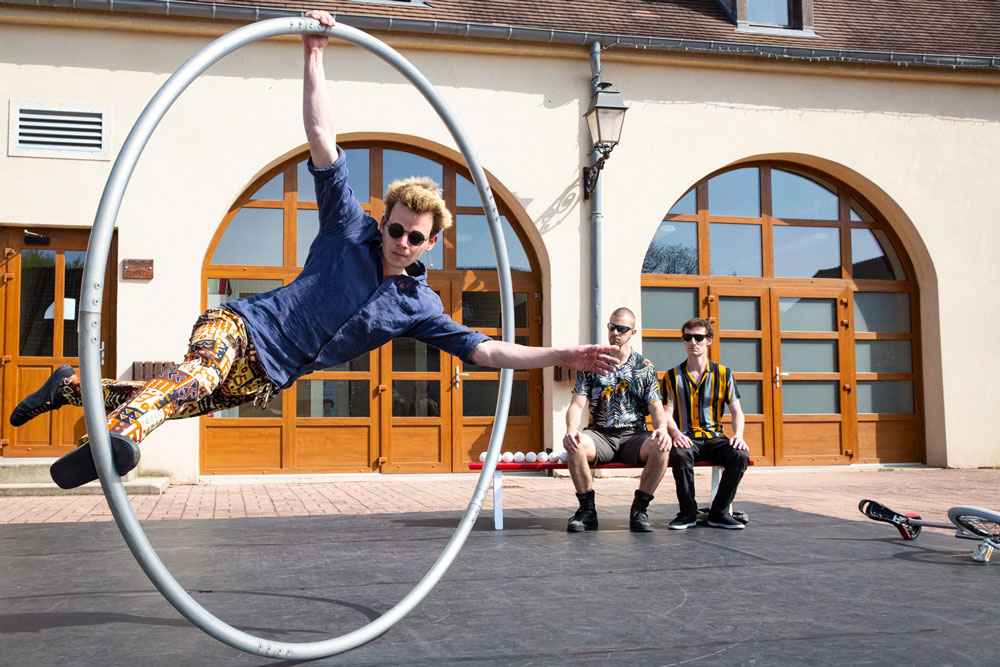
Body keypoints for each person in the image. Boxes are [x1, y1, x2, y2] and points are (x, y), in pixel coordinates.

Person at [10, 10, 619, 489]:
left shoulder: (418, 305)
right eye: (395, 228)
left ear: (432, 242)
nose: (400, 242)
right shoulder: (346, 227)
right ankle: (111, 441)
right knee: (189, 382)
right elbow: (323, 137)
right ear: (384, 220)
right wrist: (315, 52)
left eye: (415, 236)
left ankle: (70, 388)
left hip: (266, 378)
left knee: (177, 395)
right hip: (240, 328)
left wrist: (565, 351)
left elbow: (487, 349)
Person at [563, 307, 671, 533]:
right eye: (611, 327)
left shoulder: (644, 368)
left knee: (661, 447)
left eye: (621, 329)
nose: (615, 333)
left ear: (633, 332)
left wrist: (662, 428)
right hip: (600, 435)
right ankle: (587, 512)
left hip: (634, 436)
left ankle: (639, 510)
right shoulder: (592, 365)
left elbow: (655, 406)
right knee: (575, 444)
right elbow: (577, 403)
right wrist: (571, 429)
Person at [662, 318, 750, 530]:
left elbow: (737, 412)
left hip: (715, 438)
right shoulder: (672, 376)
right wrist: (675, 434)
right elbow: (666, 414)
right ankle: (687, 513)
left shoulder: (723, 374)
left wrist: (738, 435)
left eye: (699, 337)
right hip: (687, 439)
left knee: (740, 455)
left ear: (709, 340)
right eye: (687, 337)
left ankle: (718, 512)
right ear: (683, 341)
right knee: (680, 454)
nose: (693, 342)